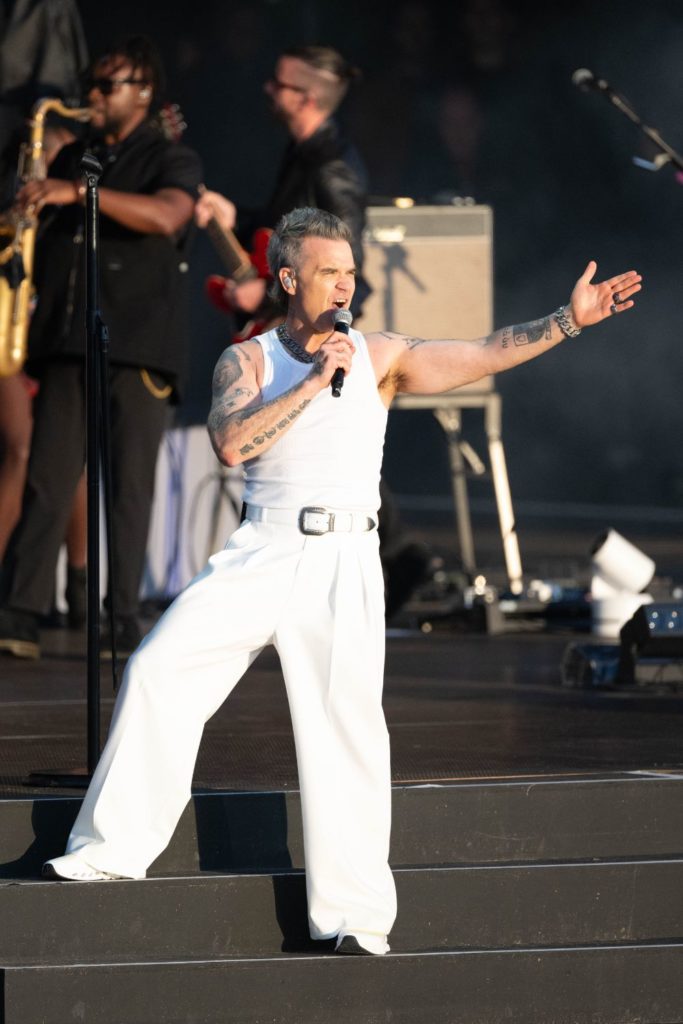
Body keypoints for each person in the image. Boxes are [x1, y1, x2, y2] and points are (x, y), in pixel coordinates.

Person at [39, 207, 641, 957]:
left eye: (351, 273)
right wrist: (314, 380)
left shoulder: (380, 354)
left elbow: (483, 352)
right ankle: (111, 848)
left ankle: (354, 916)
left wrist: (568, 320)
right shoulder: (250, 361)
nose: (344, 286)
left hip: (344, 558)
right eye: (330, 273)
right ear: (290, 278)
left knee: (344, 730)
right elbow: (230, 443)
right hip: (263, 548)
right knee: (160, 669)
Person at [196, 44, 430, 615]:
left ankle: (400, 560)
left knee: (337, 441)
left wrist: (269, 293)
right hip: (292, 321)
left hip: (318, 327)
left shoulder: (333, 167)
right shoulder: (304, 152)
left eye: (277, 84)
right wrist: (239, 219)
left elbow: (337, 260)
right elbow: (289, 234)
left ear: (303, 97)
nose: (267, 91)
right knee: (320, 442)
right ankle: (392, 559)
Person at [0, 35, 203, 659]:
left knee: (129, 485)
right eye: (91, 84)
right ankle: (19, 614)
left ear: (143, 92)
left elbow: (169, 216)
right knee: (48, 475)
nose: (91, 96)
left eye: (105, 86)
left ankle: (119, 618)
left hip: (138, 342)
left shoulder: (172, 158)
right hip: (65, 338)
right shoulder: (74, 158)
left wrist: (78, 195)